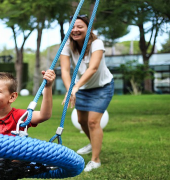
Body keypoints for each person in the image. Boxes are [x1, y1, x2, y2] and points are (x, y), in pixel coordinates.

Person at [60, 15, 114, 172]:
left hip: (101, 87)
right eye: (72, 27)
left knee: (92, 122)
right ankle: (93, 143)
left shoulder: (97, 43)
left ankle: (95, 160)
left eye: (80, 26)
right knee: (82, 121)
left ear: (88, 28)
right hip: (81, 87)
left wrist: (75, 88)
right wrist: (70, 89)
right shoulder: (67, 45)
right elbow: (64, 70)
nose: (75, 30)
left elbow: (93, 68)